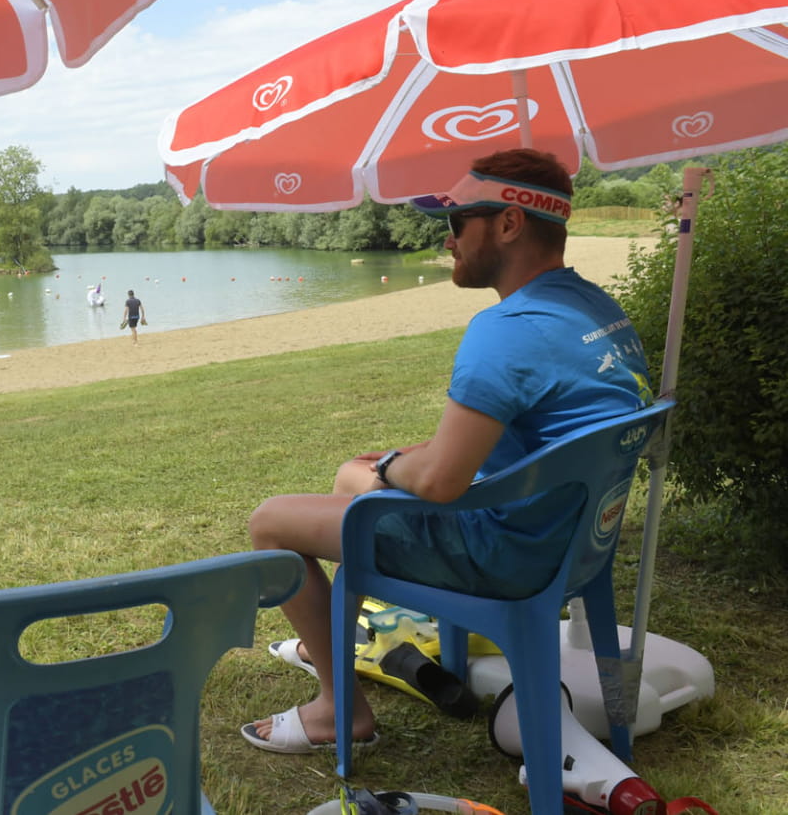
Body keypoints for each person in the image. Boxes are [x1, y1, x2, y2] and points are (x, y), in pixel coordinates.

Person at [242, 148, 654, 754]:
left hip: (507, 556)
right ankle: (332, 634)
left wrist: (385, 467)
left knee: (272, 523)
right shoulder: (598, 309)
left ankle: (340, 709)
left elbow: (439, 484)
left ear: (509, 223)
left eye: (458, 221)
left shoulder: (507, 329)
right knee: (353, 482)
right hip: (577, 542)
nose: (448, 238)